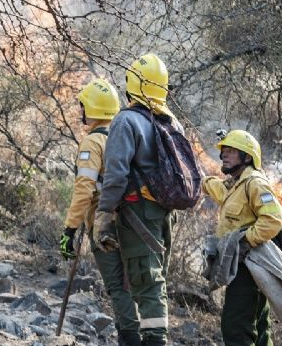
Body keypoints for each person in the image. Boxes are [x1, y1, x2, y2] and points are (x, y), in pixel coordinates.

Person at [93, 54, 180, 346]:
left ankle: (153, 340)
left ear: (131, 84)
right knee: (155, 281)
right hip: (164, 215)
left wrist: (104, 213)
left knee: (146, 283)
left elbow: (116, 175)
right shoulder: (171, 123)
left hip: (137, 214)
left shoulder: (126, 121)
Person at [60, 78, 141, 346]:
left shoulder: (92, 143)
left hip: (103, 224)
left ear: (92, 108)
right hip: (133, 222)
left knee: (118, 287)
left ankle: (129, 339)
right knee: (133, 285)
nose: (80, 111)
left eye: (83, 106)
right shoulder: (124, 136)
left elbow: (84, 189)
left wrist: (69, 230)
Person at [202, 130, 282, 346]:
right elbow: (222, 193)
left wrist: (245, 241)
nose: (224, 156)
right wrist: (202, 179)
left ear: (247, 157)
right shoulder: (238, 184)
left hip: (250, 266)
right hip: (244, 266)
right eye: (224, 152)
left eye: (231, 152)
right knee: (259, 328)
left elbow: (273, 220)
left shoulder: (255, 183)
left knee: (235, 328)